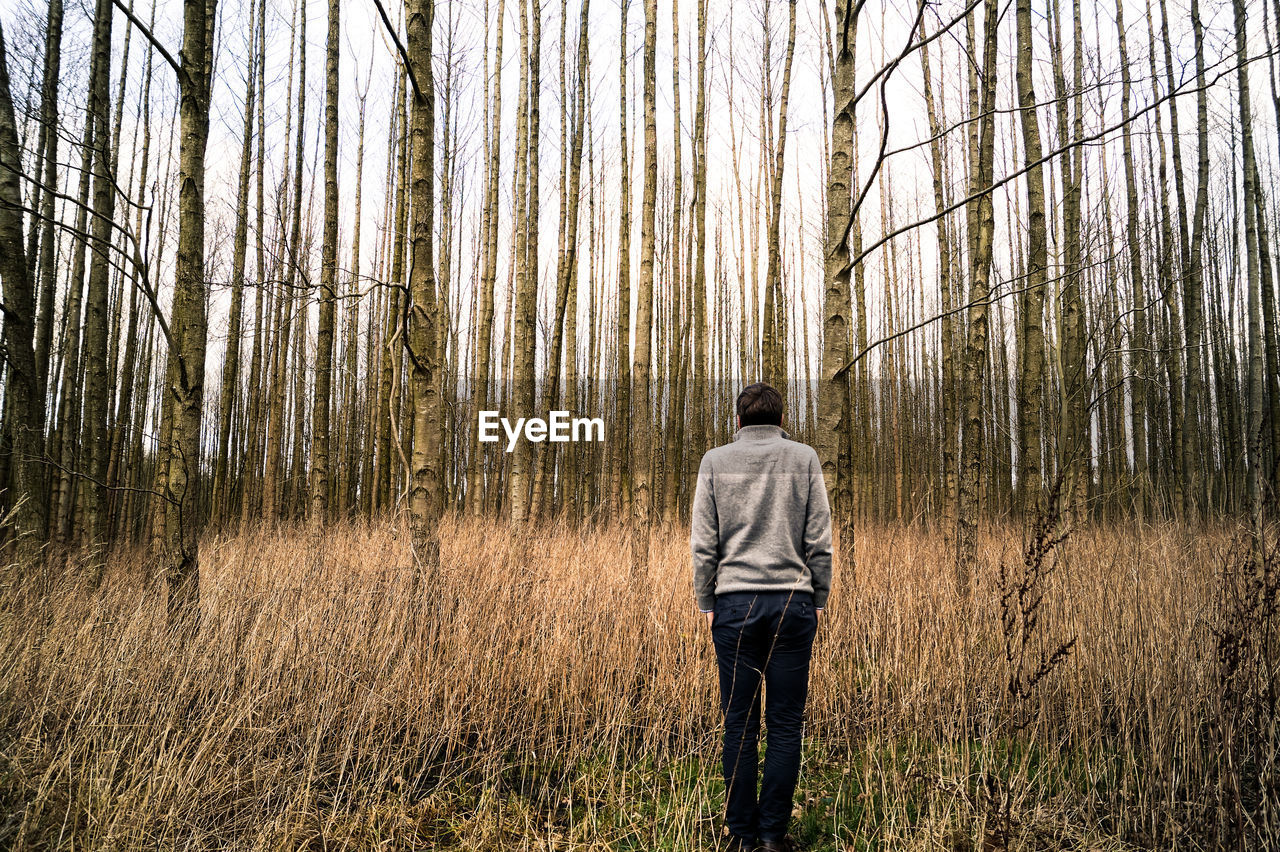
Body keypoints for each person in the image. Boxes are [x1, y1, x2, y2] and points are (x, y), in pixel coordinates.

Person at [691, 382, 833, 852]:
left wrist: (706, 602)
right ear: (779, 419)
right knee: (786, 724)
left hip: (734, 606)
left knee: (740, 724)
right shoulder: (804, 458)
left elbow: (704, 545)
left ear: (738, 421)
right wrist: (819, 594)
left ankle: (742, 838)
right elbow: (819, 539)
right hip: (792, 603)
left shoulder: (715, 462)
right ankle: (773, 838)